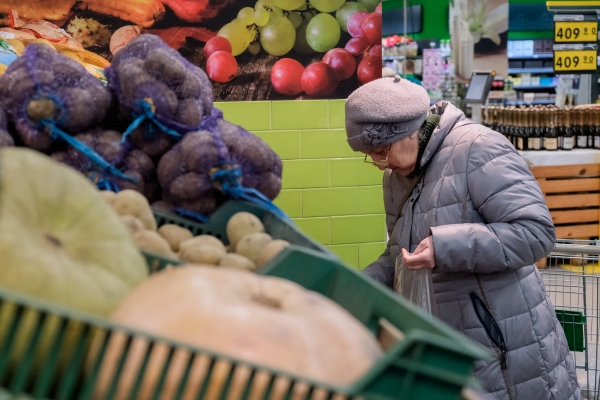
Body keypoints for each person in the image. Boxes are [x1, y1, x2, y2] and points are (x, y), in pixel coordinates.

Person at [345, 76, 581, 400]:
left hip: (503, 348)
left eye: (382, 151)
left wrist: (445, 247)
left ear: (410, 130)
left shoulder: (479, 149)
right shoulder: (396, 177)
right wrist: (366, 281)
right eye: (369, 155)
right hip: (447, 348)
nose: (378, 163)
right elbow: (400, 250)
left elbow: (536, 232)